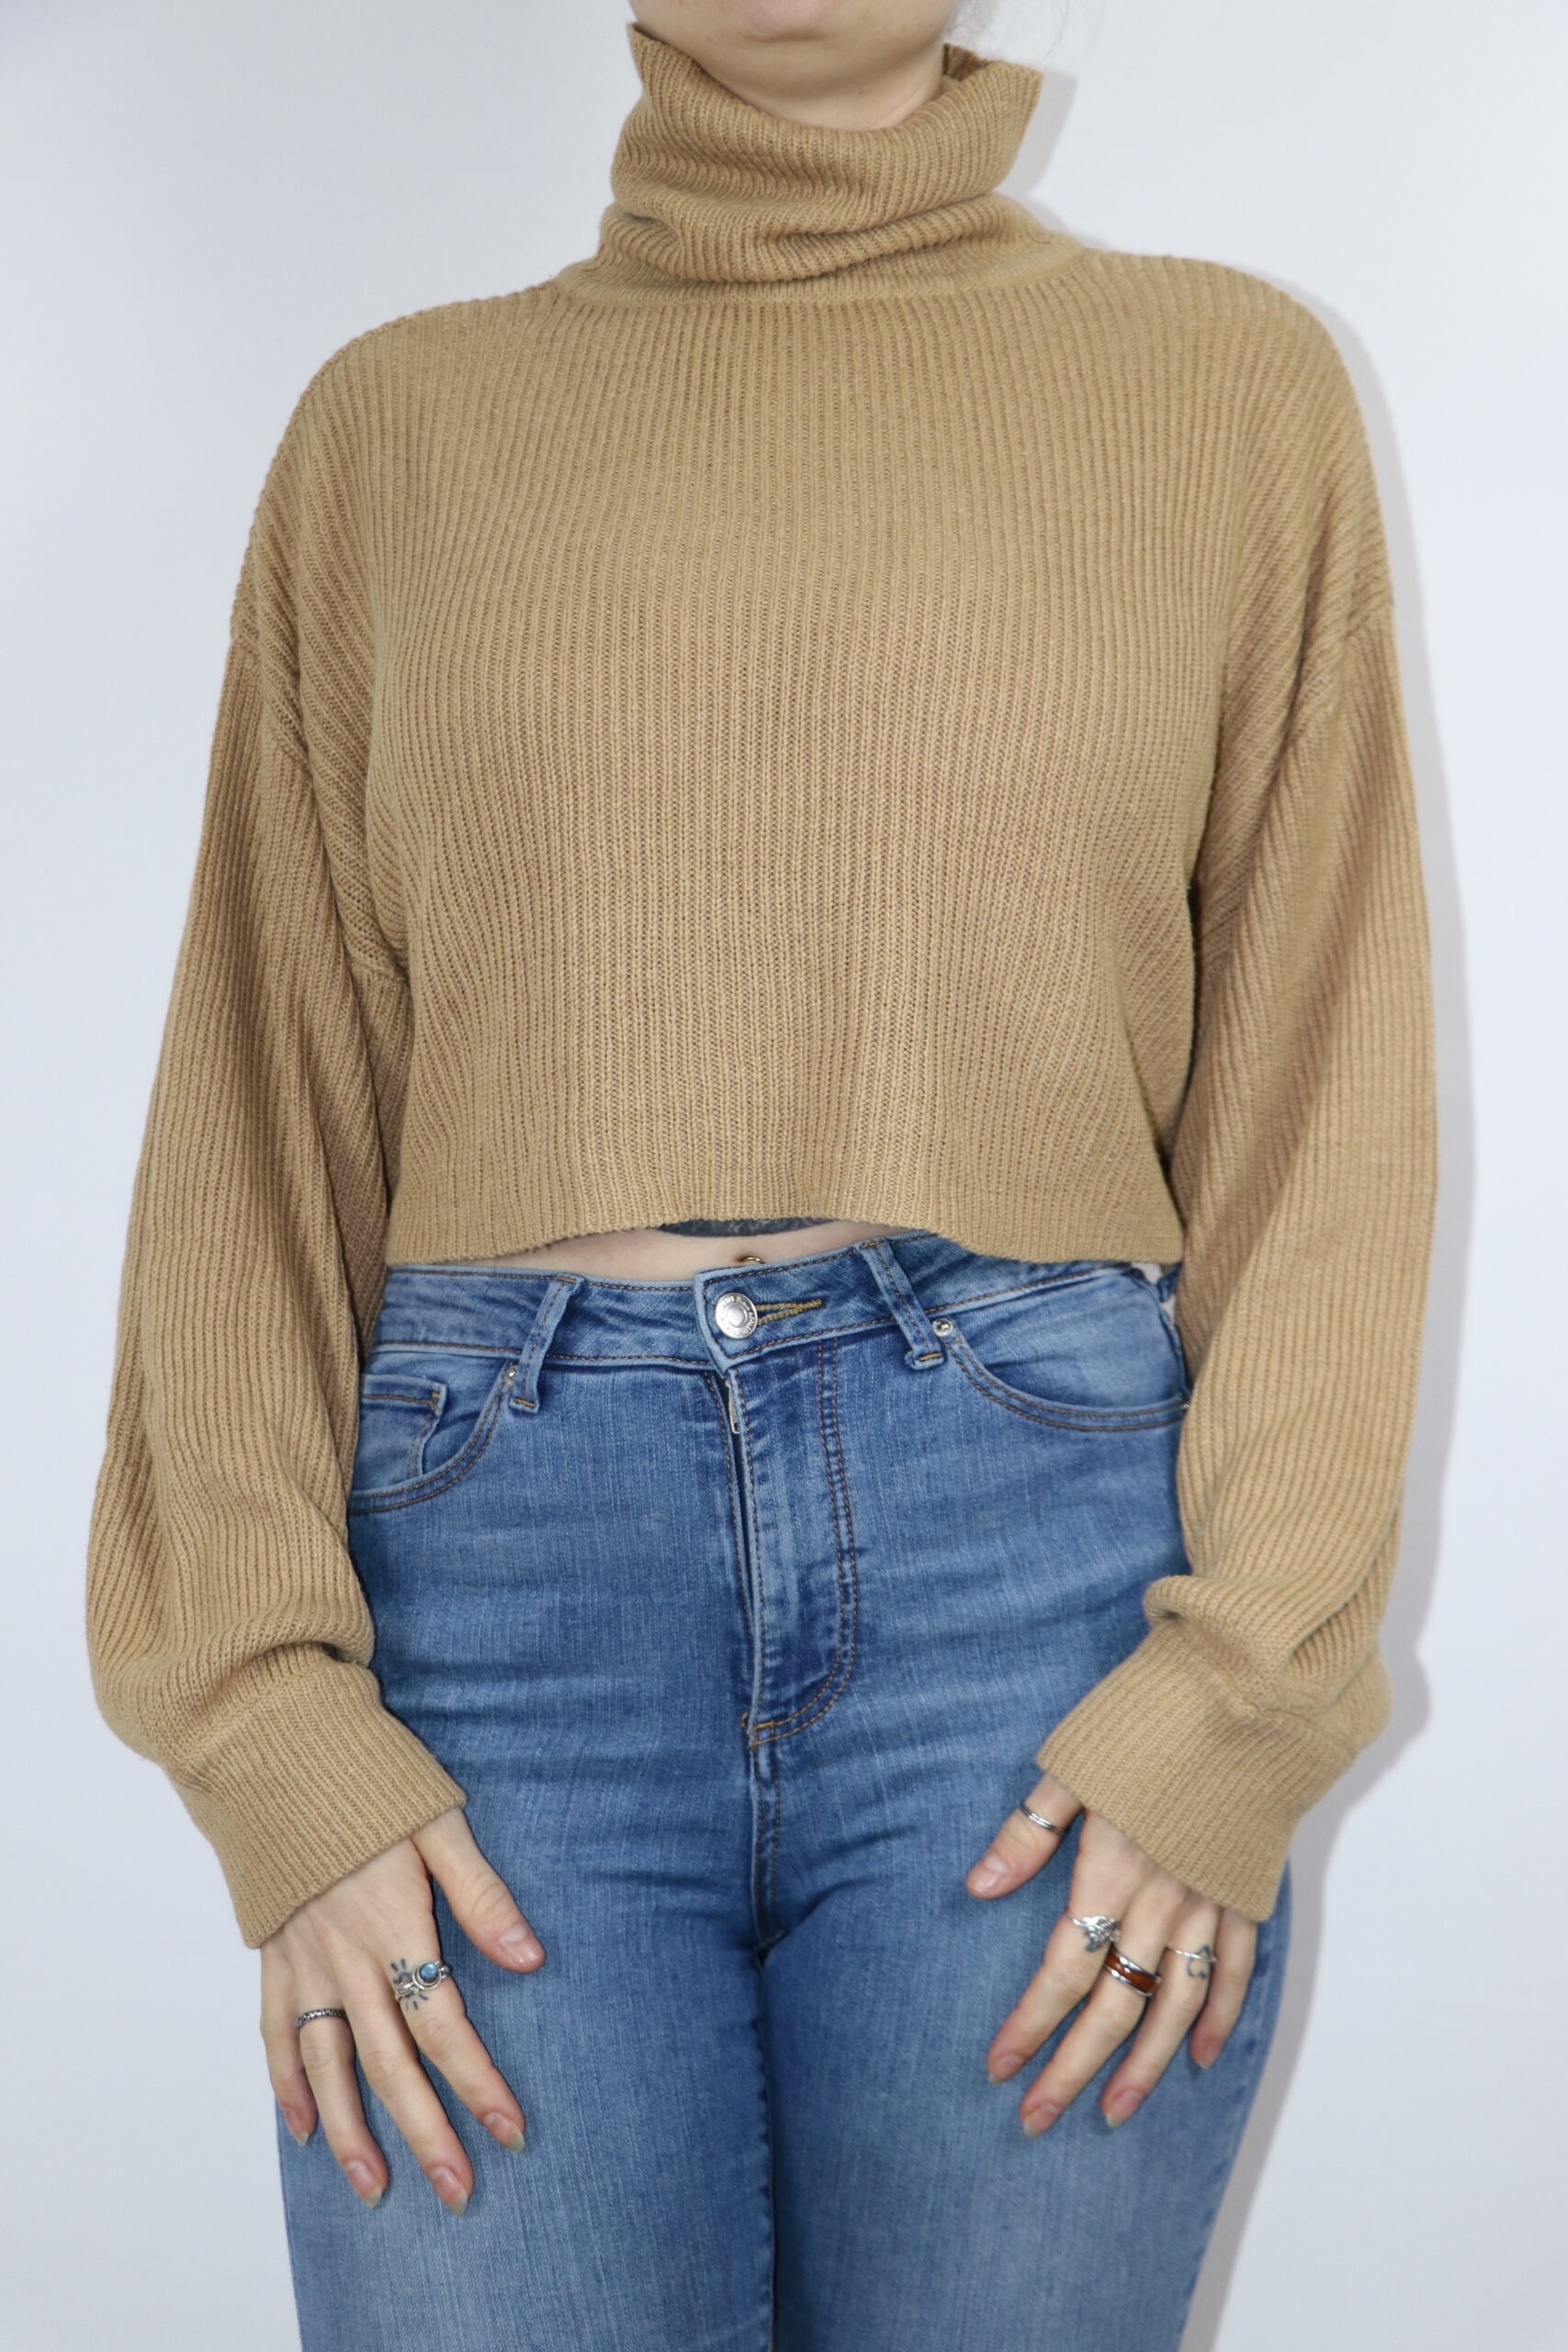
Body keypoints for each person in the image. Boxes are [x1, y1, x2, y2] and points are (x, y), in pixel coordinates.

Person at [84, 3, 1438, 2345]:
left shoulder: (1225, 389)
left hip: (1045, 1619)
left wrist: (1238, 1704)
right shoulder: (395, 431)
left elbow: (1323, 1075)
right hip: (491, 1631)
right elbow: (258, 1100)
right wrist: (261, 1721)